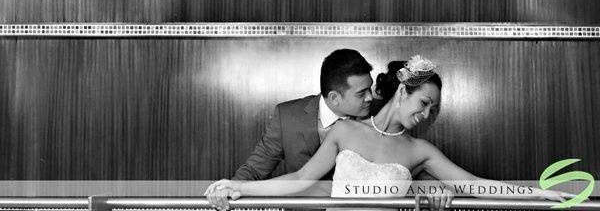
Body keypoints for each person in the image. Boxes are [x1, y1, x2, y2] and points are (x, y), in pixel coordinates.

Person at [205, 55, 568, 209]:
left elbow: (476, 184)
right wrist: (237, 186)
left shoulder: (420, 151)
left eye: (433, 110)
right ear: (403, 91)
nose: (426, 114)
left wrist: (536, 193)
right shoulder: (344, 131)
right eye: (424, 102)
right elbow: (300, 179)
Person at [232, 48, 375, 181]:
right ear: (334, 98)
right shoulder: (287, 117)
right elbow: (254, 169)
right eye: (362, 93)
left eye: (370, 88)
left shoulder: (379, 115)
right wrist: (227, 190)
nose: (370, 97)